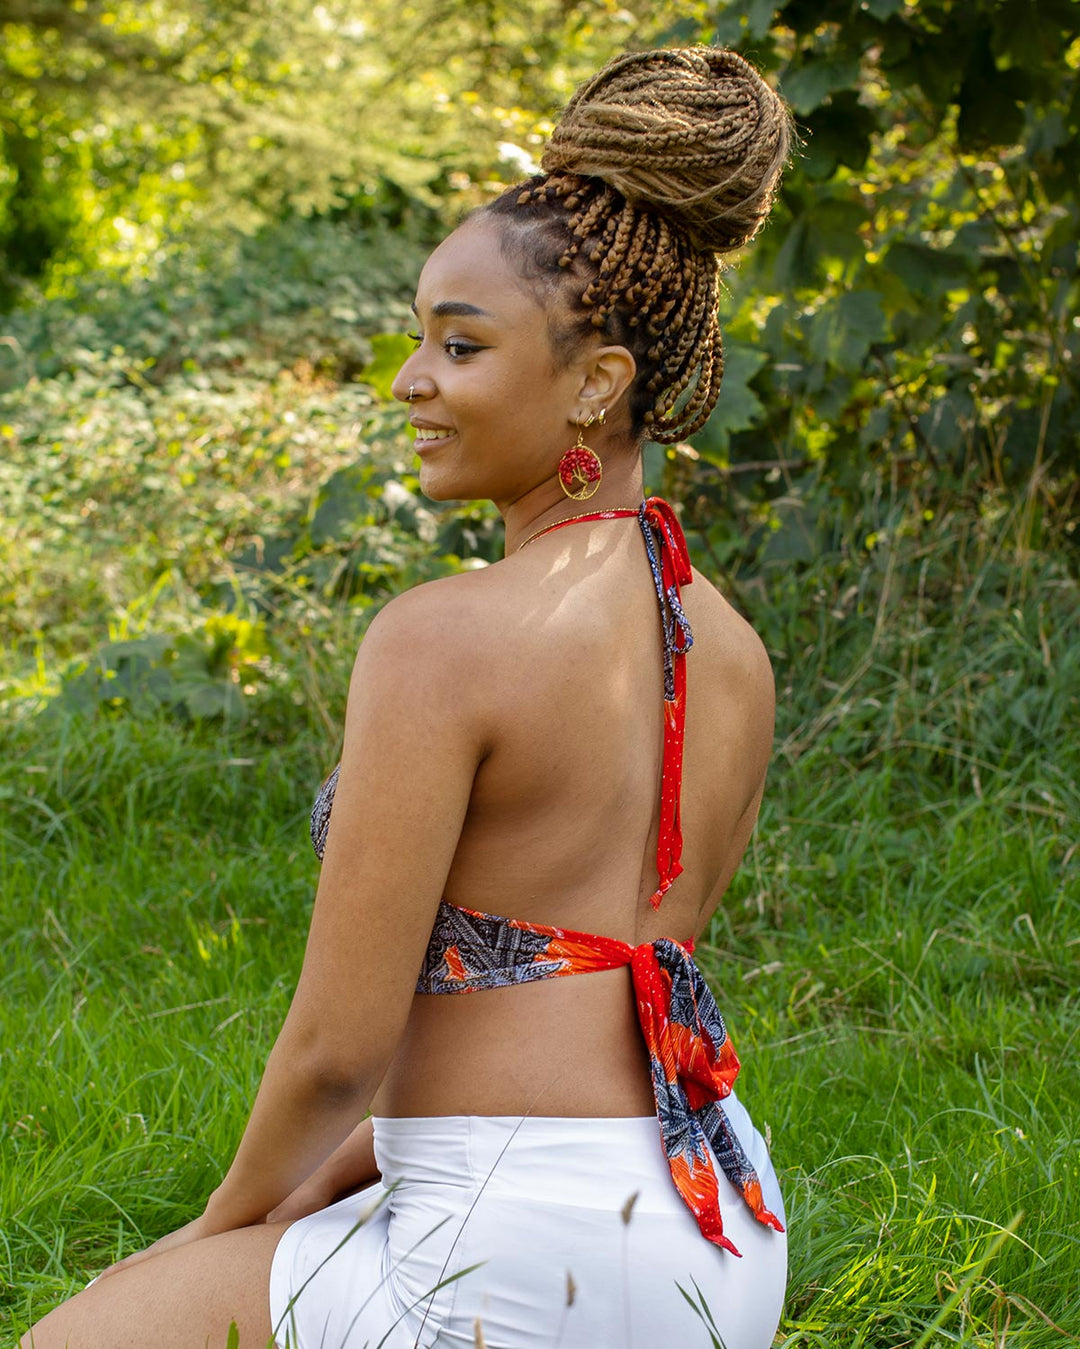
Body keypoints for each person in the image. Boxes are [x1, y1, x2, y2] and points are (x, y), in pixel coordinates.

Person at [23, 44, 792, 1349]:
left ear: (598, 381)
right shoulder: (731, 650)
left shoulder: (441, 642)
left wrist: (211, 1230)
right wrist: (298, 1216)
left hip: (521, 1248)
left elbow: (336, 1045)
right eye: (419, 336)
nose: (410, 381)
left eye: (460, 343)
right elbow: (582, 981)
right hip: (716, 1228)